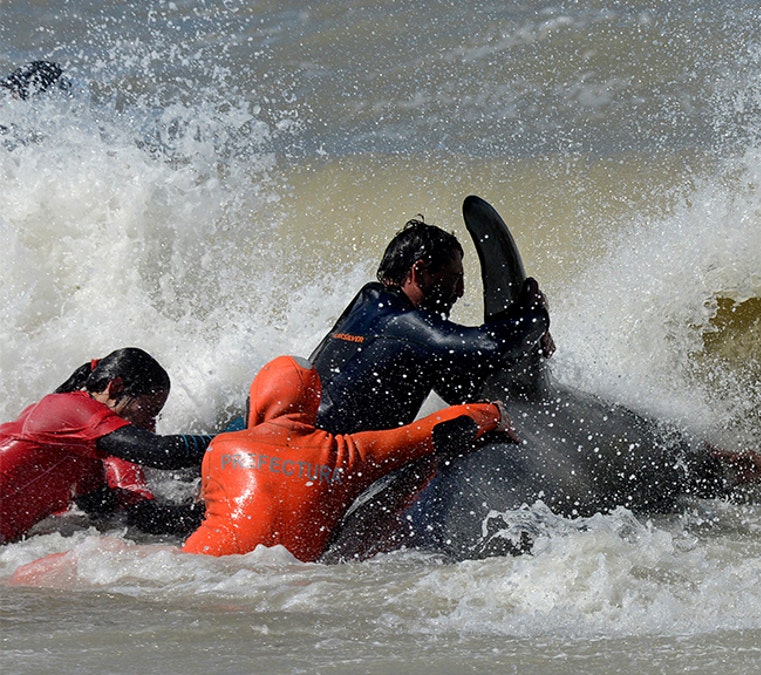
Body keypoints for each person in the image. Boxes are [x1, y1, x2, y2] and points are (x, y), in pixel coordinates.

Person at [181, 355, 513, 562]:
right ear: (312, 403)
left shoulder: (221, 447)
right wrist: (492, 412)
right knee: (417, 468)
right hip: (286, 579)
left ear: (259, 400)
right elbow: (434, 428)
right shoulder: (347, 454)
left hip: (197, 565)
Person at [308, 217, 553, 435]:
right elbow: (493, 346)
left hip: (283, 448)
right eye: (454, 278)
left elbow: (454, 384)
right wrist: (537, 316)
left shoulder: (368, 301)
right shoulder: (402, 323)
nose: (460, 291)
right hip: (323, 467)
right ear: (420, 271)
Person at [0, 348, 213, 544]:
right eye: (147, 411)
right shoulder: (69, 408)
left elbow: (135, 518)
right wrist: (229, 441)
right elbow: (162, 452)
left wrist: (200, 508)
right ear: (116, 388)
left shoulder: (85, 458)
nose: (150, 425)